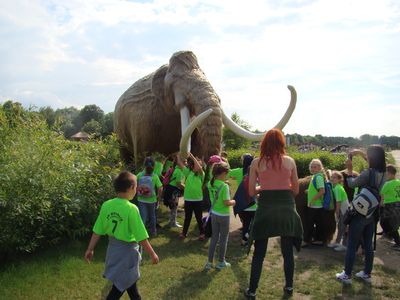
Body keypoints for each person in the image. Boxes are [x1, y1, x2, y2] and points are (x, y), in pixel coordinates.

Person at [245, 129, 302, 299]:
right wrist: (281, 189)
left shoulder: (256, 163)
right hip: (286, 209)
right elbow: (296, 189)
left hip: (265, 210)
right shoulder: (290, 161)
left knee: (259, 253)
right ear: (282, 143)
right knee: (287, 252)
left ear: (264, 143)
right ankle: (289, 287)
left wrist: (264, 187)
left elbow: (251, 192)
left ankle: (252, 291)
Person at [84, 171, 159, 300]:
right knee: (120, 286)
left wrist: (90, 249)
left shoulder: (106, 205)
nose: (136, 190)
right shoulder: (131, 208)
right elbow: (141, 237)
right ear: (131, 188)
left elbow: (97, 231)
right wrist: (152, 254)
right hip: (127, 254)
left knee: (130, 285)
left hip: (113, 251)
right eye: (136, 187)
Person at [335, 145, 386, 284]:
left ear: (371, 158)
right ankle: (367, 273)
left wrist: (350, 171)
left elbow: (351, 184)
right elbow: (373, 161)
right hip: (373, 213)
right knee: (368, 244)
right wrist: (360, 153)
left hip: (360, 212)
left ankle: (347, 274)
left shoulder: (367, 173)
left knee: (352, 243)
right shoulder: (384, 172)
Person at [204, 162, 236, 270]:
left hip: (214, 214)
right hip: (223, 216)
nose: (227, 175)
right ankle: (221, 262)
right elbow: (226, 202)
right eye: (226, 173)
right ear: (223, 173)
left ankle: (209, 262)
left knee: (214, 238)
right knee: (223, 239)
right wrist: (234, 201)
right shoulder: (224, 186)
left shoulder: (210, 183)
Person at [229, 154, 258, 246]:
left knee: (246, 222)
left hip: (242, 202)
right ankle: (252, 238)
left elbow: (226, 172)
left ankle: (244, 241)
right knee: (253, 223)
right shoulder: (257, 173)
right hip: (253, 203)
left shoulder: (238, 171)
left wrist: (224, 161)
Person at [179, 153, 206, 240]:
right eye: (197, 164)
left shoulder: (202, 174)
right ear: (192, 165)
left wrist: (192, 156)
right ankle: (184, 233)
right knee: (188, 217)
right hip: (188, 199)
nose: (198, 165)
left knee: (199, 217)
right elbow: (180, 163)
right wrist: (177, 155)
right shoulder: (188, 172)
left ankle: (202, 233)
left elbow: (199, 168)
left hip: (198, 199)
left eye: (199, 164)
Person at [136, 157, 163, 237]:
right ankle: (153, 232)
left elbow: (133, 183)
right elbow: (160, 188)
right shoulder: (154, 176)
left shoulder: (139, 175)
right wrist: (158, 198)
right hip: (152, 200)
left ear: (144, 165)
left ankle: (142, 234)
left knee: (143, 217)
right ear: (154, 166)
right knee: (152, 216)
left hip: (141, 199)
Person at [303, 159, 327, 246]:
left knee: (309, 223)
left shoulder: (318, 177)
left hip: (315, 205)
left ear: (320, 168)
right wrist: (309, 191)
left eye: (315, 167)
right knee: (318, 223)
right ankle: (319, 239)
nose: (313, 169)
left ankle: (306, 240)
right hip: (315, 205)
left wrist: (312, 201)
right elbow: (316, 189)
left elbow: (322, 191)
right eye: (312, 167)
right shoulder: (315, 176)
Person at [327, 171, 349, 252]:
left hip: (344, 211)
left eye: (335, 177)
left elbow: (338, 202)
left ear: (339, 180)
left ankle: (344, 245)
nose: (332, 179)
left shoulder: (337, 188)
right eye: (332, 177)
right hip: (343, 210)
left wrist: (337, 213)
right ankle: (337, 242)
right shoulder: (335, 186)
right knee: (340, 227)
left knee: (343, 227)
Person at [380, 164, 400, 251]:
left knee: (389, 224)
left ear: (390, 173)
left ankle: (398, 243)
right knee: (393, 223)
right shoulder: (398, 182)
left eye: (386, 174)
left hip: (389, 205)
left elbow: (381, 193)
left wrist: (381, 202)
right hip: (398, 204)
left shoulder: (387, 184)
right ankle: (391, 236)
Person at [163, 154, 185, 227]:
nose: (186, 163)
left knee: (173, 206)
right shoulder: (179, 171)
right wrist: (186, 188)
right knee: (174, 207)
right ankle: (173, 223)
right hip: (173, 190)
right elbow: (178, 184)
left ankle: (172, 221)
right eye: (184, 162)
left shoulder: (175, 169)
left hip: (171, 189)